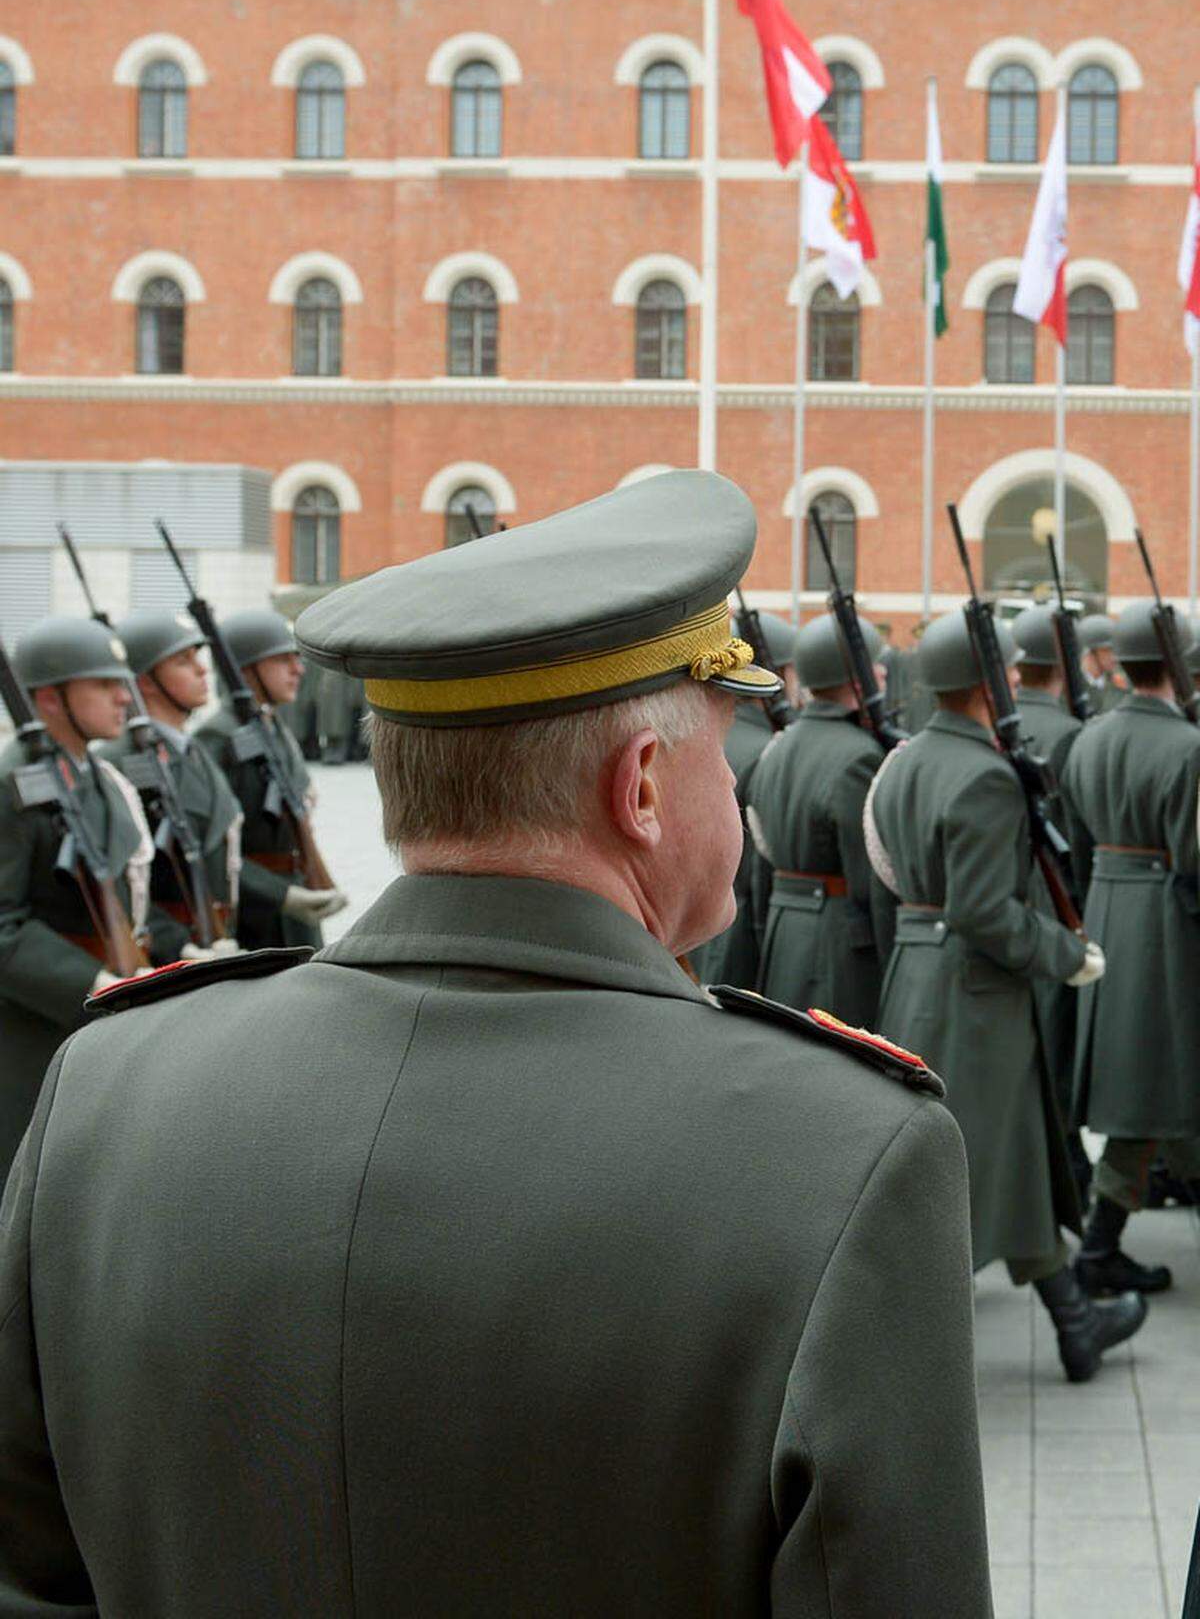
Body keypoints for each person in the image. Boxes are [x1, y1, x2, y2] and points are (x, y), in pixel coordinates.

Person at [0, 471, 992, 1617]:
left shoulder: (109, 1089)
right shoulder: (850, 1154)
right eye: (723, 747)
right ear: (643, 788)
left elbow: (31, 1573)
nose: (736, 781)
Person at [867, 608, 1146, 1382]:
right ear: (992, 683)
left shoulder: (907, 758)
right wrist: (1066, 953)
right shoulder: (984, 775)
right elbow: (985, 910)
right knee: (957, 1178)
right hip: (974, 995)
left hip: (920, 976)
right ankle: (903, 1356)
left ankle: (1075, 1324)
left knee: (1012, 1158)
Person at [1060, 599, 1200, 1295]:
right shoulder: (1188, 746)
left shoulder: (1088, 738)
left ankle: (1101, 1243)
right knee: (1164, 1081)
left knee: (1151, 1085)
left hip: (1109, 912)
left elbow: (1078, 847)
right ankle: (1098, 1247)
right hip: (1170, 926)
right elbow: (1193, 858)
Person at [0, 615, 153, 1180]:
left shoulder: (91, 773)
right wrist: (90, 980)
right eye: (102, 684)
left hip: (95, 1021)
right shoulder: (12, 779)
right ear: (50, 699)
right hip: (33, 1034)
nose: (123, 696)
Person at [746, 611, 895, 1027]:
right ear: (856, 677)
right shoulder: (860, 756)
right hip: (837, 945)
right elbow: (869, 883)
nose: (882, 672)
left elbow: (762, 864)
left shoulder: (777, 747)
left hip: (783, 932)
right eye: (874, 664)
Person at [194, 609, 346, 949]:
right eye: (282, 660)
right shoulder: (218, 736)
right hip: (256, 914)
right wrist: (282, 894)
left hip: (295, 898)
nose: (298, 669)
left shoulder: (271, 724)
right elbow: (214, 847)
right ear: (245, 670)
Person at [98, 609, 243, 964]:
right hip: (167, 955)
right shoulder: (119, 762)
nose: (202, 669)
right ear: (145, 682)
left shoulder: (190, 748)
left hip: (215, 937)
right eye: (183, 661)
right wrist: (175, 942)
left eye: (198, 657)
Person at [1011, 603, 1092, 1206]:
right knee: (1059, 1047)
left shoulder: (1007, 724)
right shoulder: (1069, 734)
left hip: (1019, 898)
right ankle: (1068, 1174)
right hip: (1058, 900)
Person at [688, 607, 797, 988]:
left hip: (693, 930)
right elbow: (759, 875)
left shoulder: (694, 743)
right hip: (739, 937)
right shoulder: (766, 753)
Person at [1078, 612, 1127, 714]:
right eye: (1108, 650)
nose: (1115, 657)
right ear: (1090, 652)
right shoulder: (1070, 688)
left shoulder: (1121, 685)